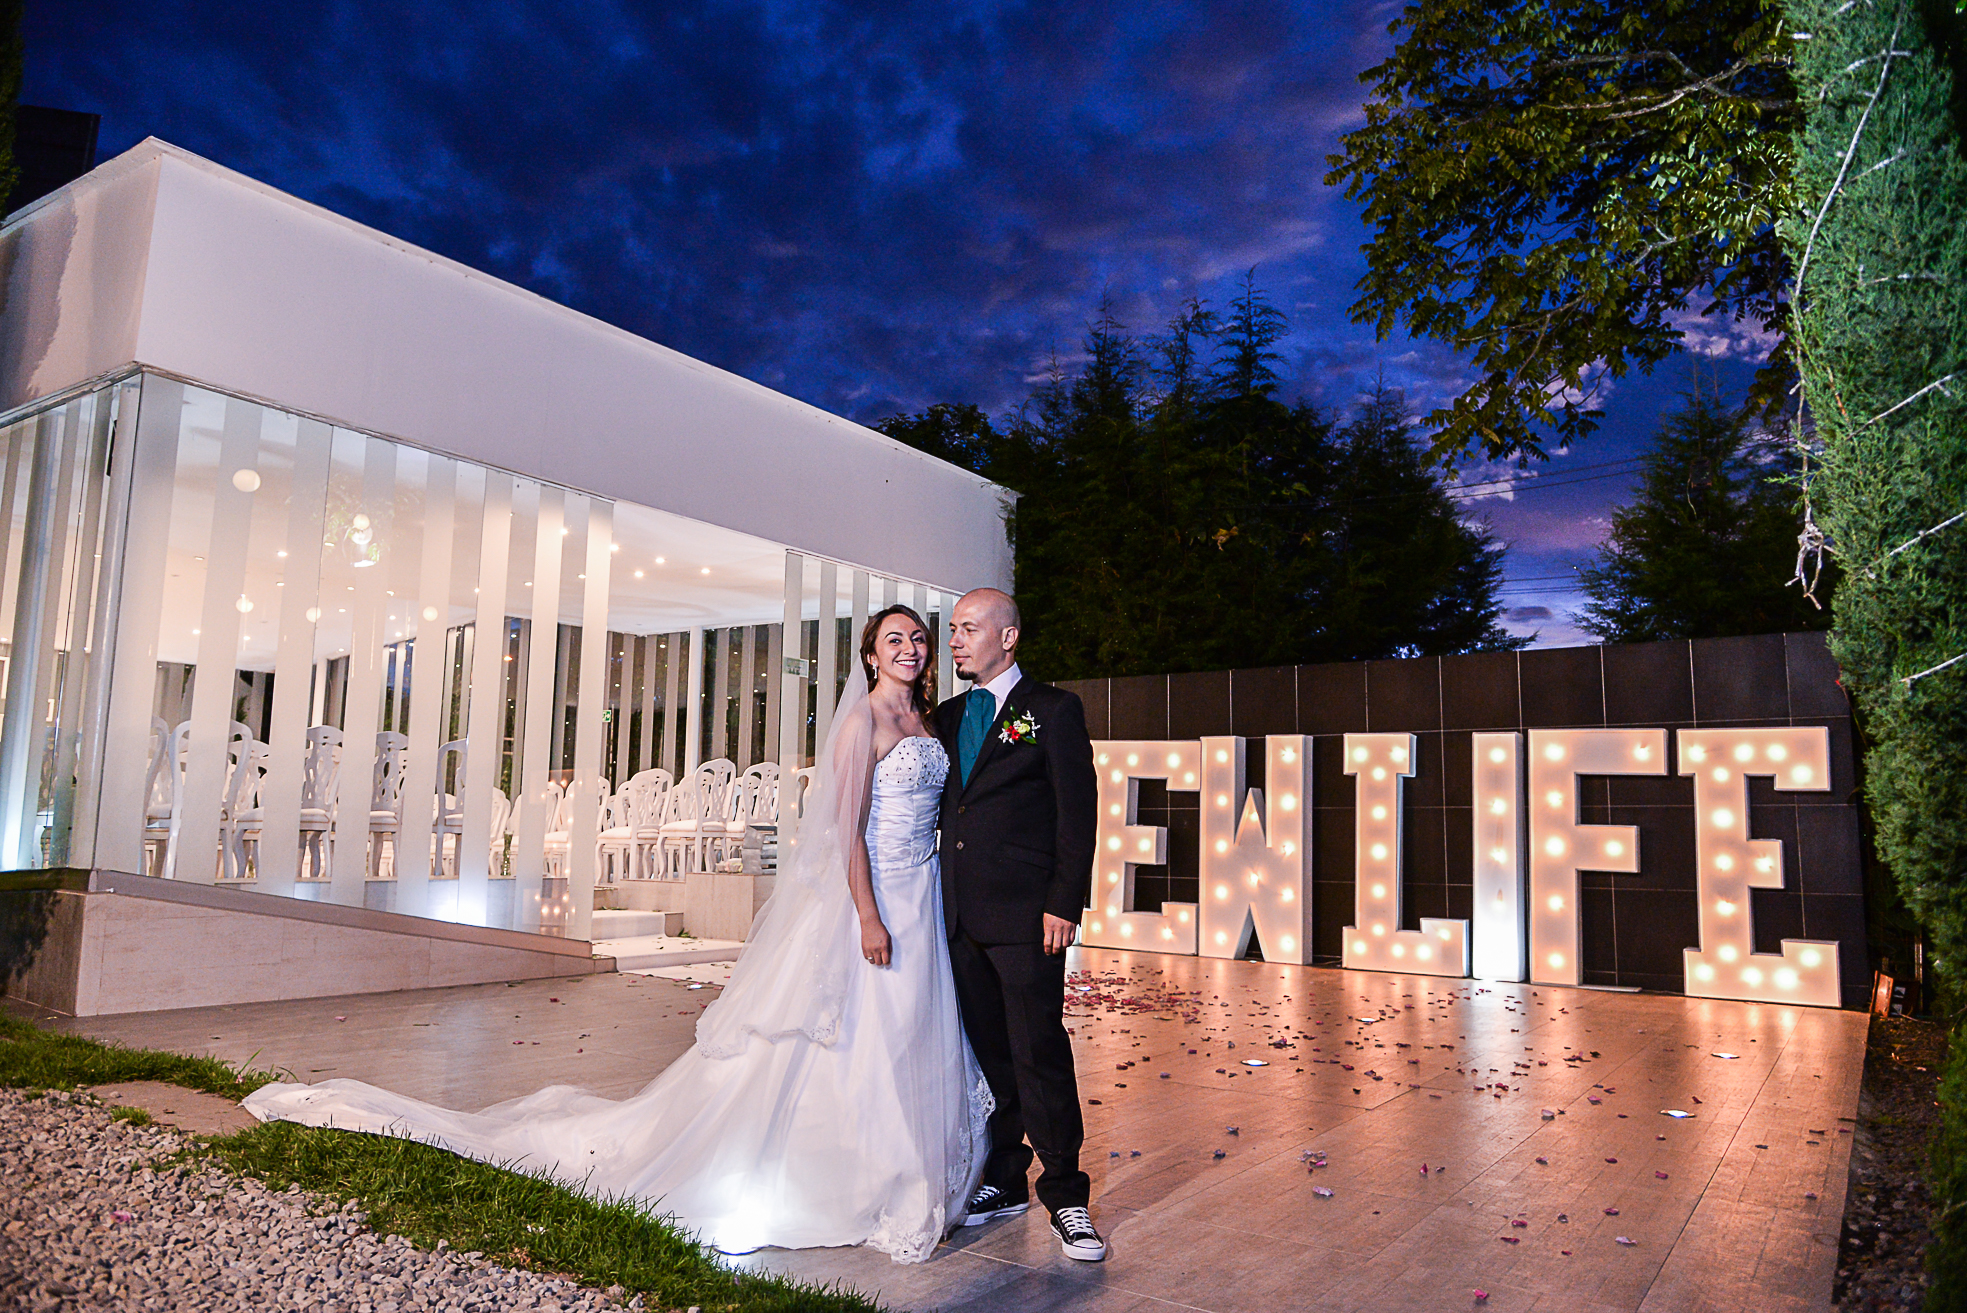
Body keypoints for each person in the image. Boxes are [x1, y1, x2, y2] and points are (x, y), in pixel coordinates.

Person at [243, 606, 990, 1265]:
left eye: (919, 639)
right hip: (877, 899)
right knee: (854, 1033)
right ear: (868, 654)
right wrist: (865, 911)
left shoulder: (929, 720)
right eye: (895, 638)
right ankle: (861, 1171)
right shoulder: (862, 722)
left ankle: (902, 1162)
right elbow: (844, 829)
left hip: (922, 891)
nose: (912, 648)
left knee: (903, 1034)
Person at [935, 587, 1104, 1261]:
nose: (954, 640)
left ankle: (1065, 1191)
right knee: (988, 1055)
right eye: (951, 629)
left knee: (1037, 1048)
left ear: (1007, 637)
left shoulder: (1053, 710)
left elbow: (1076, 813)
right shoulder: (946, 716)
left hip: (1028, 917)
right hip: (955, 915)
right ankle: (1004, 1176)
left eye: (968, 628)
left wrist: (1064, 901)